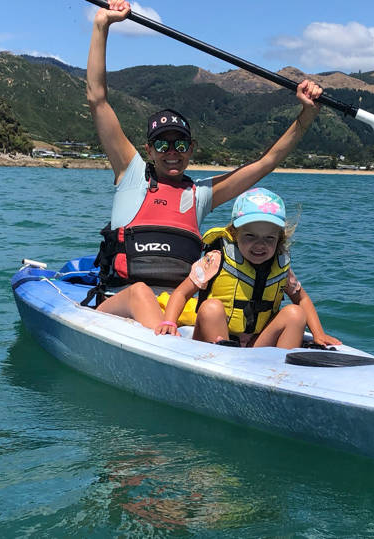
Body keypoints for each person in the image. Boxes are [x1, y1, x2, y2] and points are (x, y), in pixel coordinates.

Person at [86, 0, 324, 330]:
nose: (172, 151)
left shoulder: (200, 195)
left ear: (192, 149)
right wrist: (102, 25)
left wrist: (307, 115)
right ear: (149, 149)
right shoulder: (130, 174)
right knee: (141, 292)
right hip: (123, 300)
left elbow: (267, 161)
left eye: (181, 144)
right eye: (162, 144)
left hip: (178, 310)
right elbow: (98, 99)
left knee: (214, 311)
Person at [154, 188, 341, 349]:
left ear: (280, 239)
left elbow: (302, 300)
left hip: (256, 345)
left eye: (269, 238)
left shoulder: (280, 267)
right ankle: (221, 365)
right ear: (235, 233)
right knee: (211, 308)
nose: (260, 245)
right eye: (250, 236)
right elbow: (181, 293)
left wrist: (318, 334)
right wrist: (169, 322)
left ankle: (282, 369)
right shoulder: (216, 260)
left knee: (295, 314)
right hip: (214, 341)